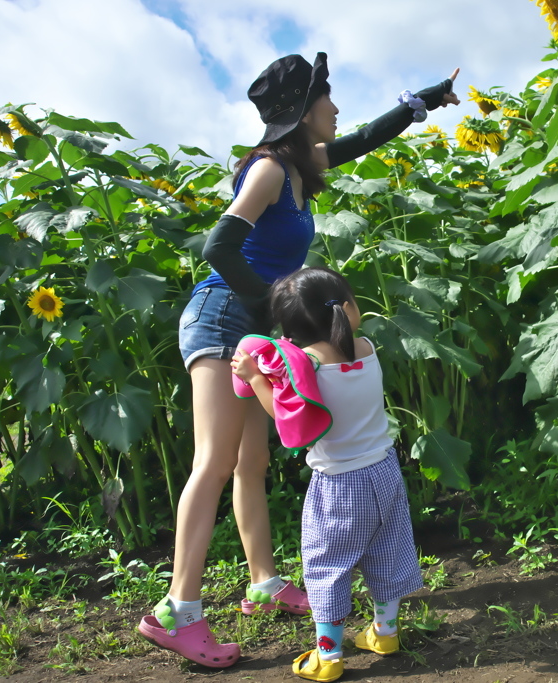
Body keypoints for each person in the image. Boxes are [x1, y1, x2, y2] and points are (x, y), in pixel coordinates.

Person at [137, 52, 459, 668]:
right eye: (326, 100)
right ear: (300, 114)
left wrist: (425, 99)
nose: (335, 110)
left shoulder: (303, 164)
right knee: (214, 461)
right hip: (223, 317)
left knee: (251, 461)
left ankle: (261, 581)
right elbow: (218, 246)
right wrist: (272, 308)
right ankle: (178, 609)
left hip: (253, 326)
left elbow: (365, 138)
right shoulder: (267, 171)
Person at [231, 267, 423, 682]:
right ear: (348, 308)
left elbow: (288, 416)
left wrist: (255, 377)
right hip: (384, 470)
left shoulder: (307, 367)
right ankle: (384, 633)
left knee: (328, 564)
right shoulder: (366, 347)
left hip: (338, 483)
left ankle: (329, 655)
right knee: (386, 550)